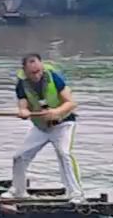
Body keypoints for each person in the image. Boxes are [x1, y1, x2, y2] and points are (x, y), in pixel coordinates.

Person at [12, 53, 81, 200]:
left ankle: (75, 193)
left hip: (63, 124)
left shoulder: (54, 77)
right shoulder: (21, 84)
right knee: (19, 157)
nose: (36, 75)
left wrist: (56, 111)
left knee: (64, 154)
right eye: (32, 73)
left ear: (41, 66)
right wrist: (24, 112)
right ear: (25, 71)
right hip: (41, 128)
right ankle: (19, 191)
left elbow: (71, 103)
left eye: (38, 71)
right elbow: (22, 104)